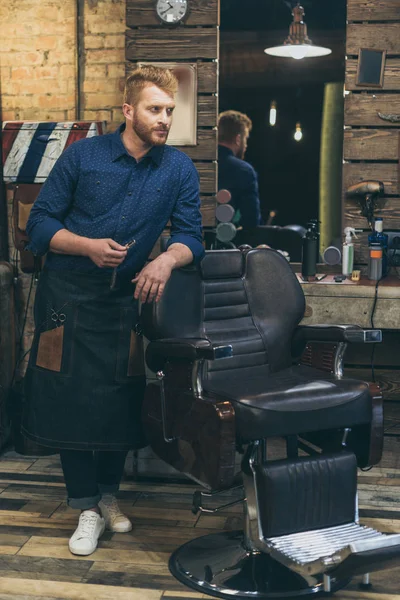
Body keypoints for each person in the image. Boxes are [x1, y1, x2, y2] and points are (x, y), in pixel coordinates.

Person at [23, 65, 204, 557]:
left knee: (119, 399)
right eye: (154, 109)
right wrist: (85, 246)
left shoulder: (178, 169)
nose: (164, 118)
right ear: (128, 111)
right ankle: (83, 505)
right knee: (73, 400)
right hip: (68, 295)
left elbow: (192, 237)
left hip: (125, 299)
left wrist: (166, 259)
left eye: (169, 110)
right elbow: (39, 225)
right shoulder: (82, 157)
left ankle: (106, 498)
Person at [218, 110, 262, 229]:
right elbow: (251, 221)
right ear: (238, 139)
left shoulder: (199, 163)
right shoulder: (243, 170)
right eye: (245, 139)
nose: (246, 145)